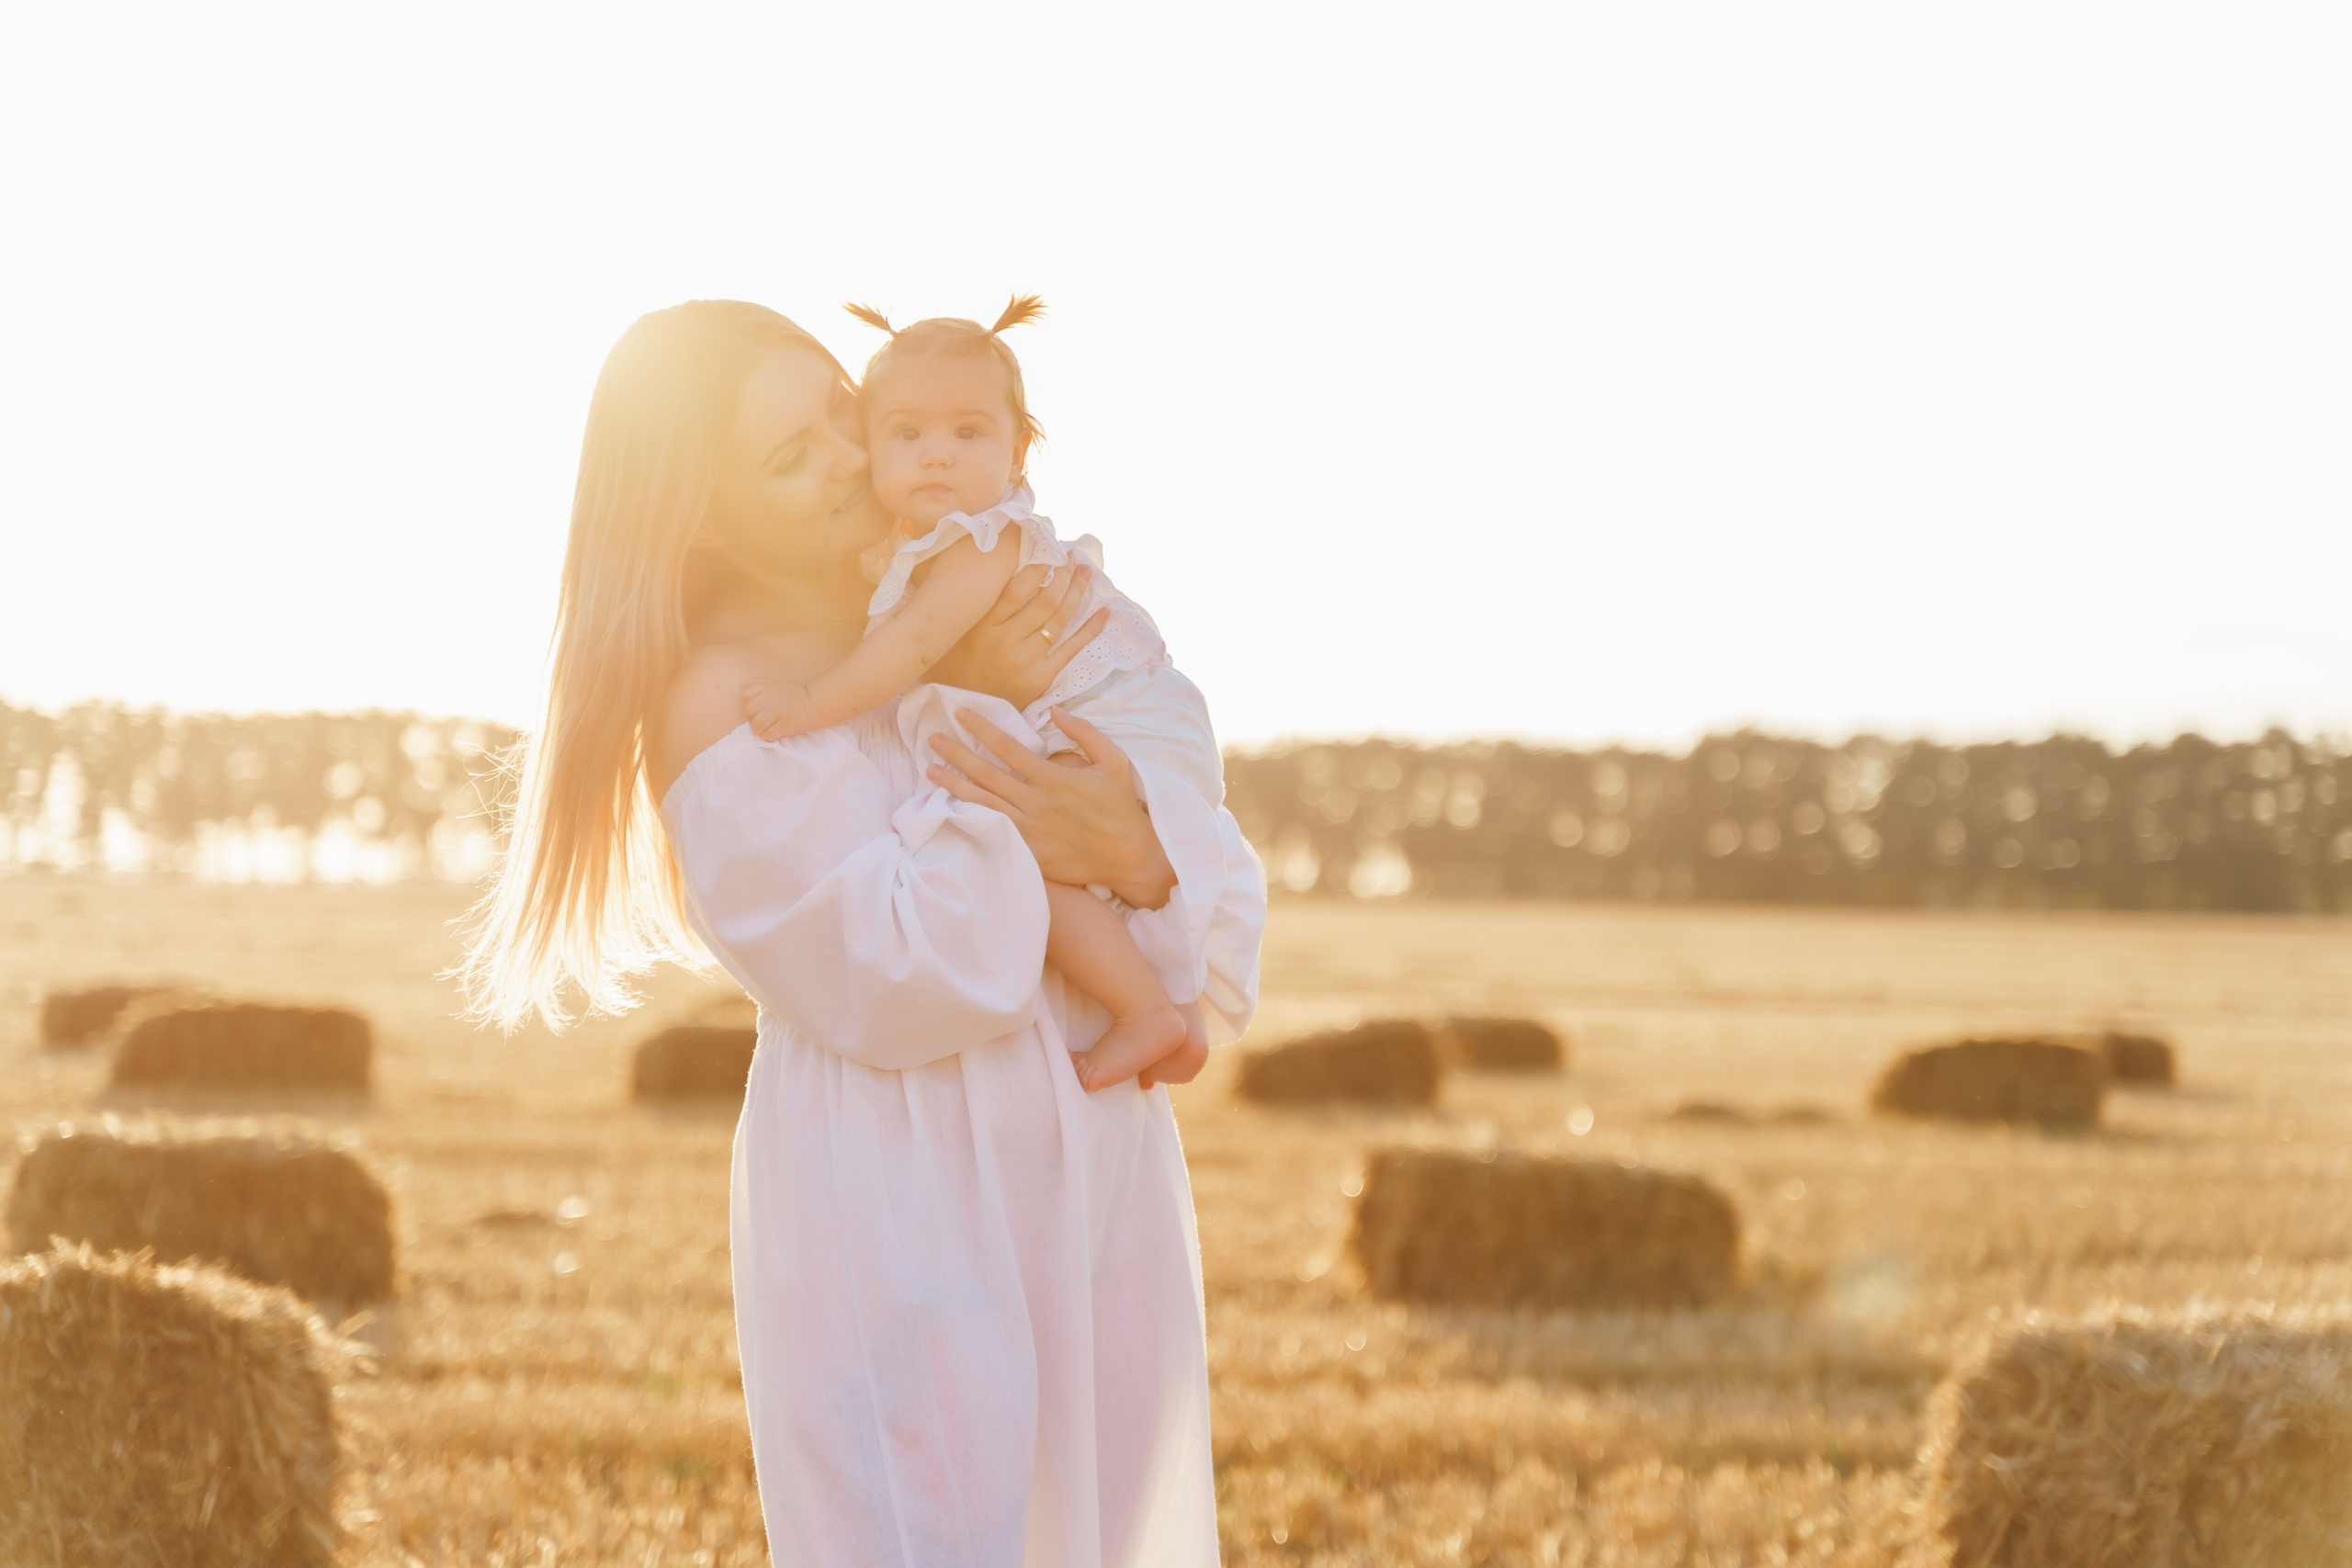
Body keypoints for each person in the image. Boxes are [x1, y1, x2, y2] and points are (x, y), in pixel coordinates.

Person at [460, 299, 1266, 1568]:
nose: (852, 458)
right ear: (707, 518)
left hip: (1091, 1166)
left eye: (841, 411)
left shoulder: (944, 603)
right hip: (909, 1195)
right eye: (793, 457)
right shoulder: (723, 700)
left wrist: (1139, 844)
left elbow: (1181, 881)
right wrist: (1001, 732)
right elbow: (898, 969)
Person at [741, 295, 1205, 1093]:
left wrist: (810, 702)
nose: (936, 456)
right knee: (1062, 856)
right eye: (906, 434)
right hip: (1122, 714)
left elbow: (912, 646)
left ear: (1018, 451)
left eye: (968, 433)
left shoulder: (981, 540)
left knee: (1025, 856)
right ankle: (1177, 1008)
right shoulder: (932, 543)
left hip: (1120, 715)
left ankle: (1146, 1011)